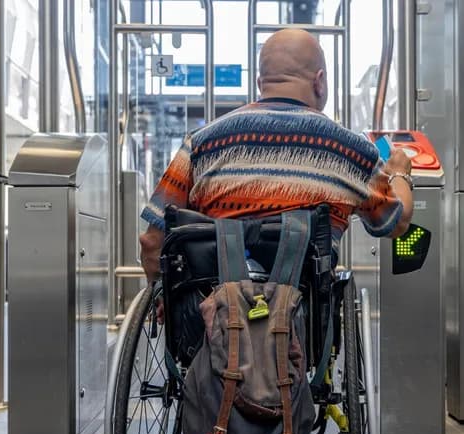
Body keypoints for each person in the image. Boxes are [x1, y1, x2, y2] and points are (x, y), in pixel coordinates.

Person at [139, 28, 413, 282]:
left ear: (261, 83)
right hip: (305, 322)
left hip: (214, 323)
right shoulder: (351, 151)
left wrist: (166, 297)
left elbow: (152, 244)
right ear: (319, 82)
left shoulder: (200, 144)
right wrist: (400, 172)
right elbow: (395, 223)